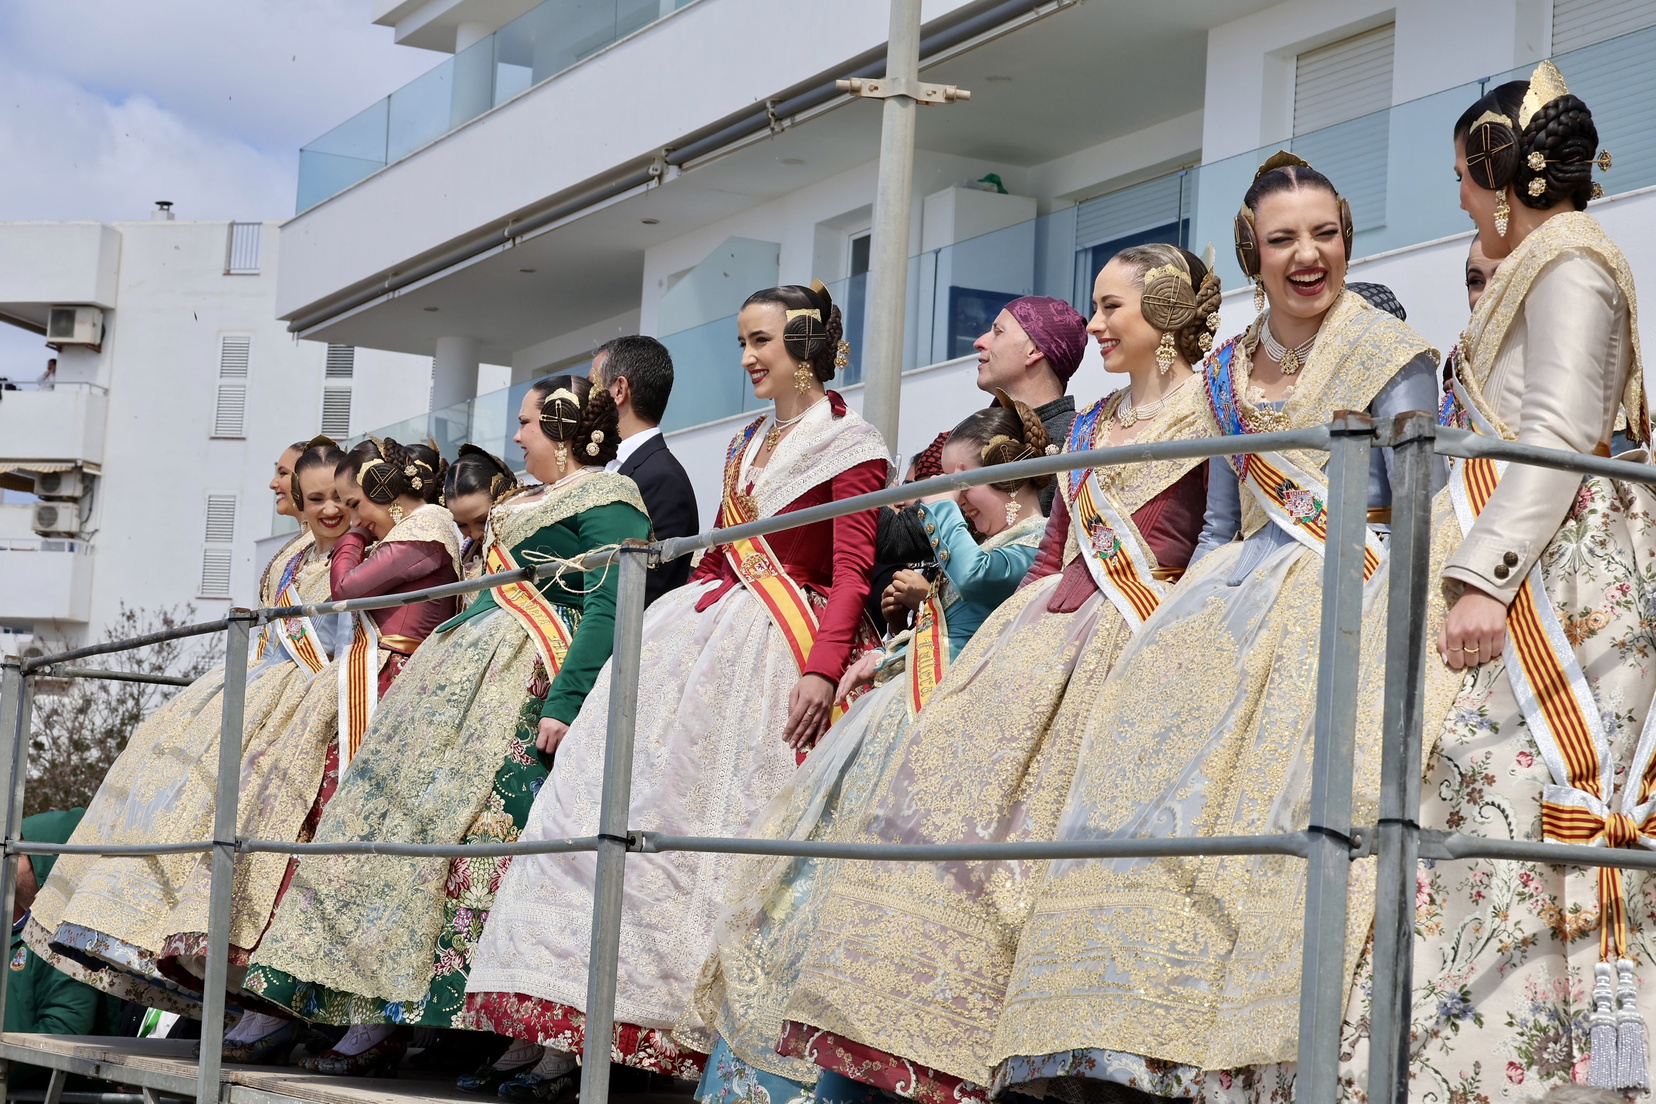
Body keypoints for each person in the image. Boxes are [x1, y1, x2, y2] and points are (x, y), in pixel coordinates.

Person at [985, 154, 1447, 1103]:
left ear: (1348, 240)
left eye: (1325, 235)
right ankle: (1121, 1040)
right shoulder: (1230, 370)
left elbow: (1421, 507)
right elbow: (1224, 527)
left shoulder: (1395, 355)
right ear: (1253, 252)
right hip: (1238, 593)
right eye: (1284, 240)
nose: (1308, 255)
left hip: (1360, 585)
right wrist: (1172, 640)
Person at [768, 244, 1219, 1104]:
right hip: (1041, 642)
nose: (1096, 325)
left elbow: (1218, 533)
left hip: (1142, 641)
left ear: (1163, 313)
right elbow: (1055, 551)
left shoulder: (1215, 409)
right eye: (1092, 306)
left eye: (1113, 307)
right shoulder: (1093, 425)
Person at [460, 280, 887, 1095]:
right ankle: (592, 1025)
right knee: (615, 803)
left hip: (784, 648)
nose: (746, 358)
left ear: (804, 346)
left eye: (759, 341)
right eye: (741, 341)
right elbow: (724, 557)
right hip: (706, 632)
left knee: (728, 830)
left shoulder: (852, 442)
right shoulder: (744, 445)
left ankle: (709, 1042)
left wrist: (821, 667)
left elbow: (853, 573)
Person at [1345, 62, 1642, 1100]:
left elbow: (1560, 437)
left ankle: (1558, 1065)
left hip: (1552, 575)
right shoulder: (1551, 258)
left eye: (1468, 177)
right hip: (1520, 550)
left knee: (1524, 797)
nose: (1461, 200)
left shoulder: (1570, 265)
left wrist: (1487, 581)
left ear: (1504, 176)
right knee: (1469, 799)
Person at [245, 376, 648, 1076]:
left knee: (497, 848)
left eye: (526, 423)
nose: (516, 435)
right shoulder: (530, 499)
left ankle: (527, 1032)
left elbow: (610, 603)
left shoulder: (611, 498)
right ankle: (382, 1003)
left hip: (530, 684)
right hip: (475, 674)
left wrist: (563, 701)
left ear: (558, 430)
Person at [690, 400, 1052, 1104]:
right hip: (908, 707)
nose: (948, 496)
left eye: (962, 480)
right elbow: (950, 615)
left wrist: (940, 510)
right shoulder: (995, 533)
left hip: (950, 731)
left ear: (1008, 479)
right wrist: (883, 657)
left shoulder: (1036, 539)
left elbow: (979, 580)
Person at [156, 438, 463, 1064]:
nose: (349, 516)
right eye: (333, 503)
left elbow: (346, 590)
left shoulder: (425, 531)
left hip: (393, 693)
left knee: (360, 850)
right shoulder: (400, 534)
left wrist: (351, 537)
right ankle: (291, 1001)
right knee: (306, 844)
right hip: (364, 688)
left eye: (353, 502)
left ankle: (367, 1014)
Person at [23, 441, 354, 1015]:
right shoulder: (291, 558)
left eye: (336, 498)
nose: (327, 509)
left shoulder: (357, 557)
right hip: (261, 685)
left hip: (308, 694)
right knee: (161, 754)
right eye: (315, 497)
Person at [6, 809, 125, 1087]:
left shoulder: (72, 943)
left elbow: (64, 1027)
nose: (9, 861)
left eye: (20, 853)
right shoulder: (25, 931)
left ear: (50, 861)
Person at [592, 335, 699, 606]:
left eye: (592, 386)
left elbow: (647, 589)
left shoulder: (661, 478)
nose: (585, 400)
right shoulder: (603, 467)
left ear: (619, 390)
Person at [972, 295, 1089, 510]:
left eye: (998, 332)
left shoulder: (1080, 439)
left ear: (1034, 351)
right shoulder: (975, 433)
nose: (979, 342)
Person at [446, 444, 519, 581]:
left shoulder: (527, 539)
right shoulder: (468, 552)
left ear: (504, 496)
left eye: (482, 520)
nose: (474, 534)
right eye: (462, 525)